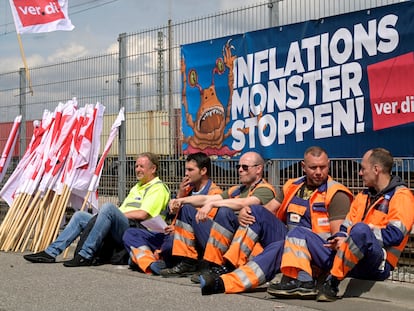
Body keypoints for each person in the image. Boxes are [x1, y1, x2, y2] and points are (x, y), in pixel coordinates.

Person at [200, 146, 353, 296]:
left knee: (276, 250)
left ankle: (224, 283)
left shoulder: (336, 194)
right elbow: (268, 210)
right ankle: (229, 268)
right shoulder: (292, 186)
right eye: (313, 167)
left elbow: (336, 241)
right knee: (255, 210)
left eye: (323, 167)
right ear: (303, 167)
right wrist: (244, 213)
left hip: (315, 252)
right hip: (289, 243)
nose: (319, 172)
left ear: (329, 165)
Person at [23, 152, 170, 267]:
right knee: (80, 216)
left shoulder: (157, 188)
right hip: (124, 226)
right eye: (136, 166)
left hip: (140, 232)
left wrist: (114, 214)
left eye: (141, 166)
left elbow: (142, 214)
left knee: (108, 208)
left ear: (153, 168)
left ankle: (86, 255)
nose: (137, 169)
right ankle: (50, 253)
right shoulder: (137, 187)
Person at [316, 148, 414, 302]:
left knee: (360, 230)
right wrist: (341, 238)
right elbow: (344, 227)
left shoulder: (402, 196)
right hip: (353, 256)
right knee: (302, 234)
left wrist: (355, 237)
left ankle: (332, 282)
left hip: (378, 263)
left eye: (363, 168)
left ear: (376, 170)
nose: (360, 173)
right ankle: (302, 281)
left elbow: (395, 235)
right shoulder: (363, 195)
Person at [159, 151, 276, 278]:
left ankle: (215, 265)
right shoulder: (237, 189)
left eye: (245, 167)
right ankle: (188, 262)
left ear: (259, 169)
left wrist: (214, 204)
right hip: (227, 240)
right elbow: (205, 199)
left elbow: (245, 202)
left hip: (247, 245)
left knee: (224, 212)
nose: (240, 170)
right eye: (238, 167)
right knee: (187, 209)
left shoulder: (265, 189)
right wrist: (181, 200)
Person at [122, 152, 222, 275]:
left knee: (169, 245)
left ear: (203, 171)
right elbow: (173, 215)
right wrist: (180, 194)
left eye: (190, 170)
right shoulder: (187, 190)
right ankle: (151, 263)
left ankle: (152, 258)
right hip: (172, 234)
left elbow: (204, 225)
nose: (186, 174)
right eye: (186, 169)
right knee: (131, 233)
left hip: (192, 240)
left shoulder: (214, 192)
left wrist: (177, 227)